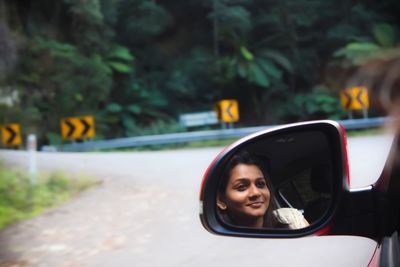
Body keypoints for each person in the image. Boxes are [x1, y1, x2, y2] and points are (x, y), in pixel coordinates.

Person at [217, 151, 309, 229]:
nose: (256, 192)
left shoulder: (291, 220)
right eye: (241, 187)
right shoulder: (218, 239)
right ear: (221, 201)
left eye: (260, 184)